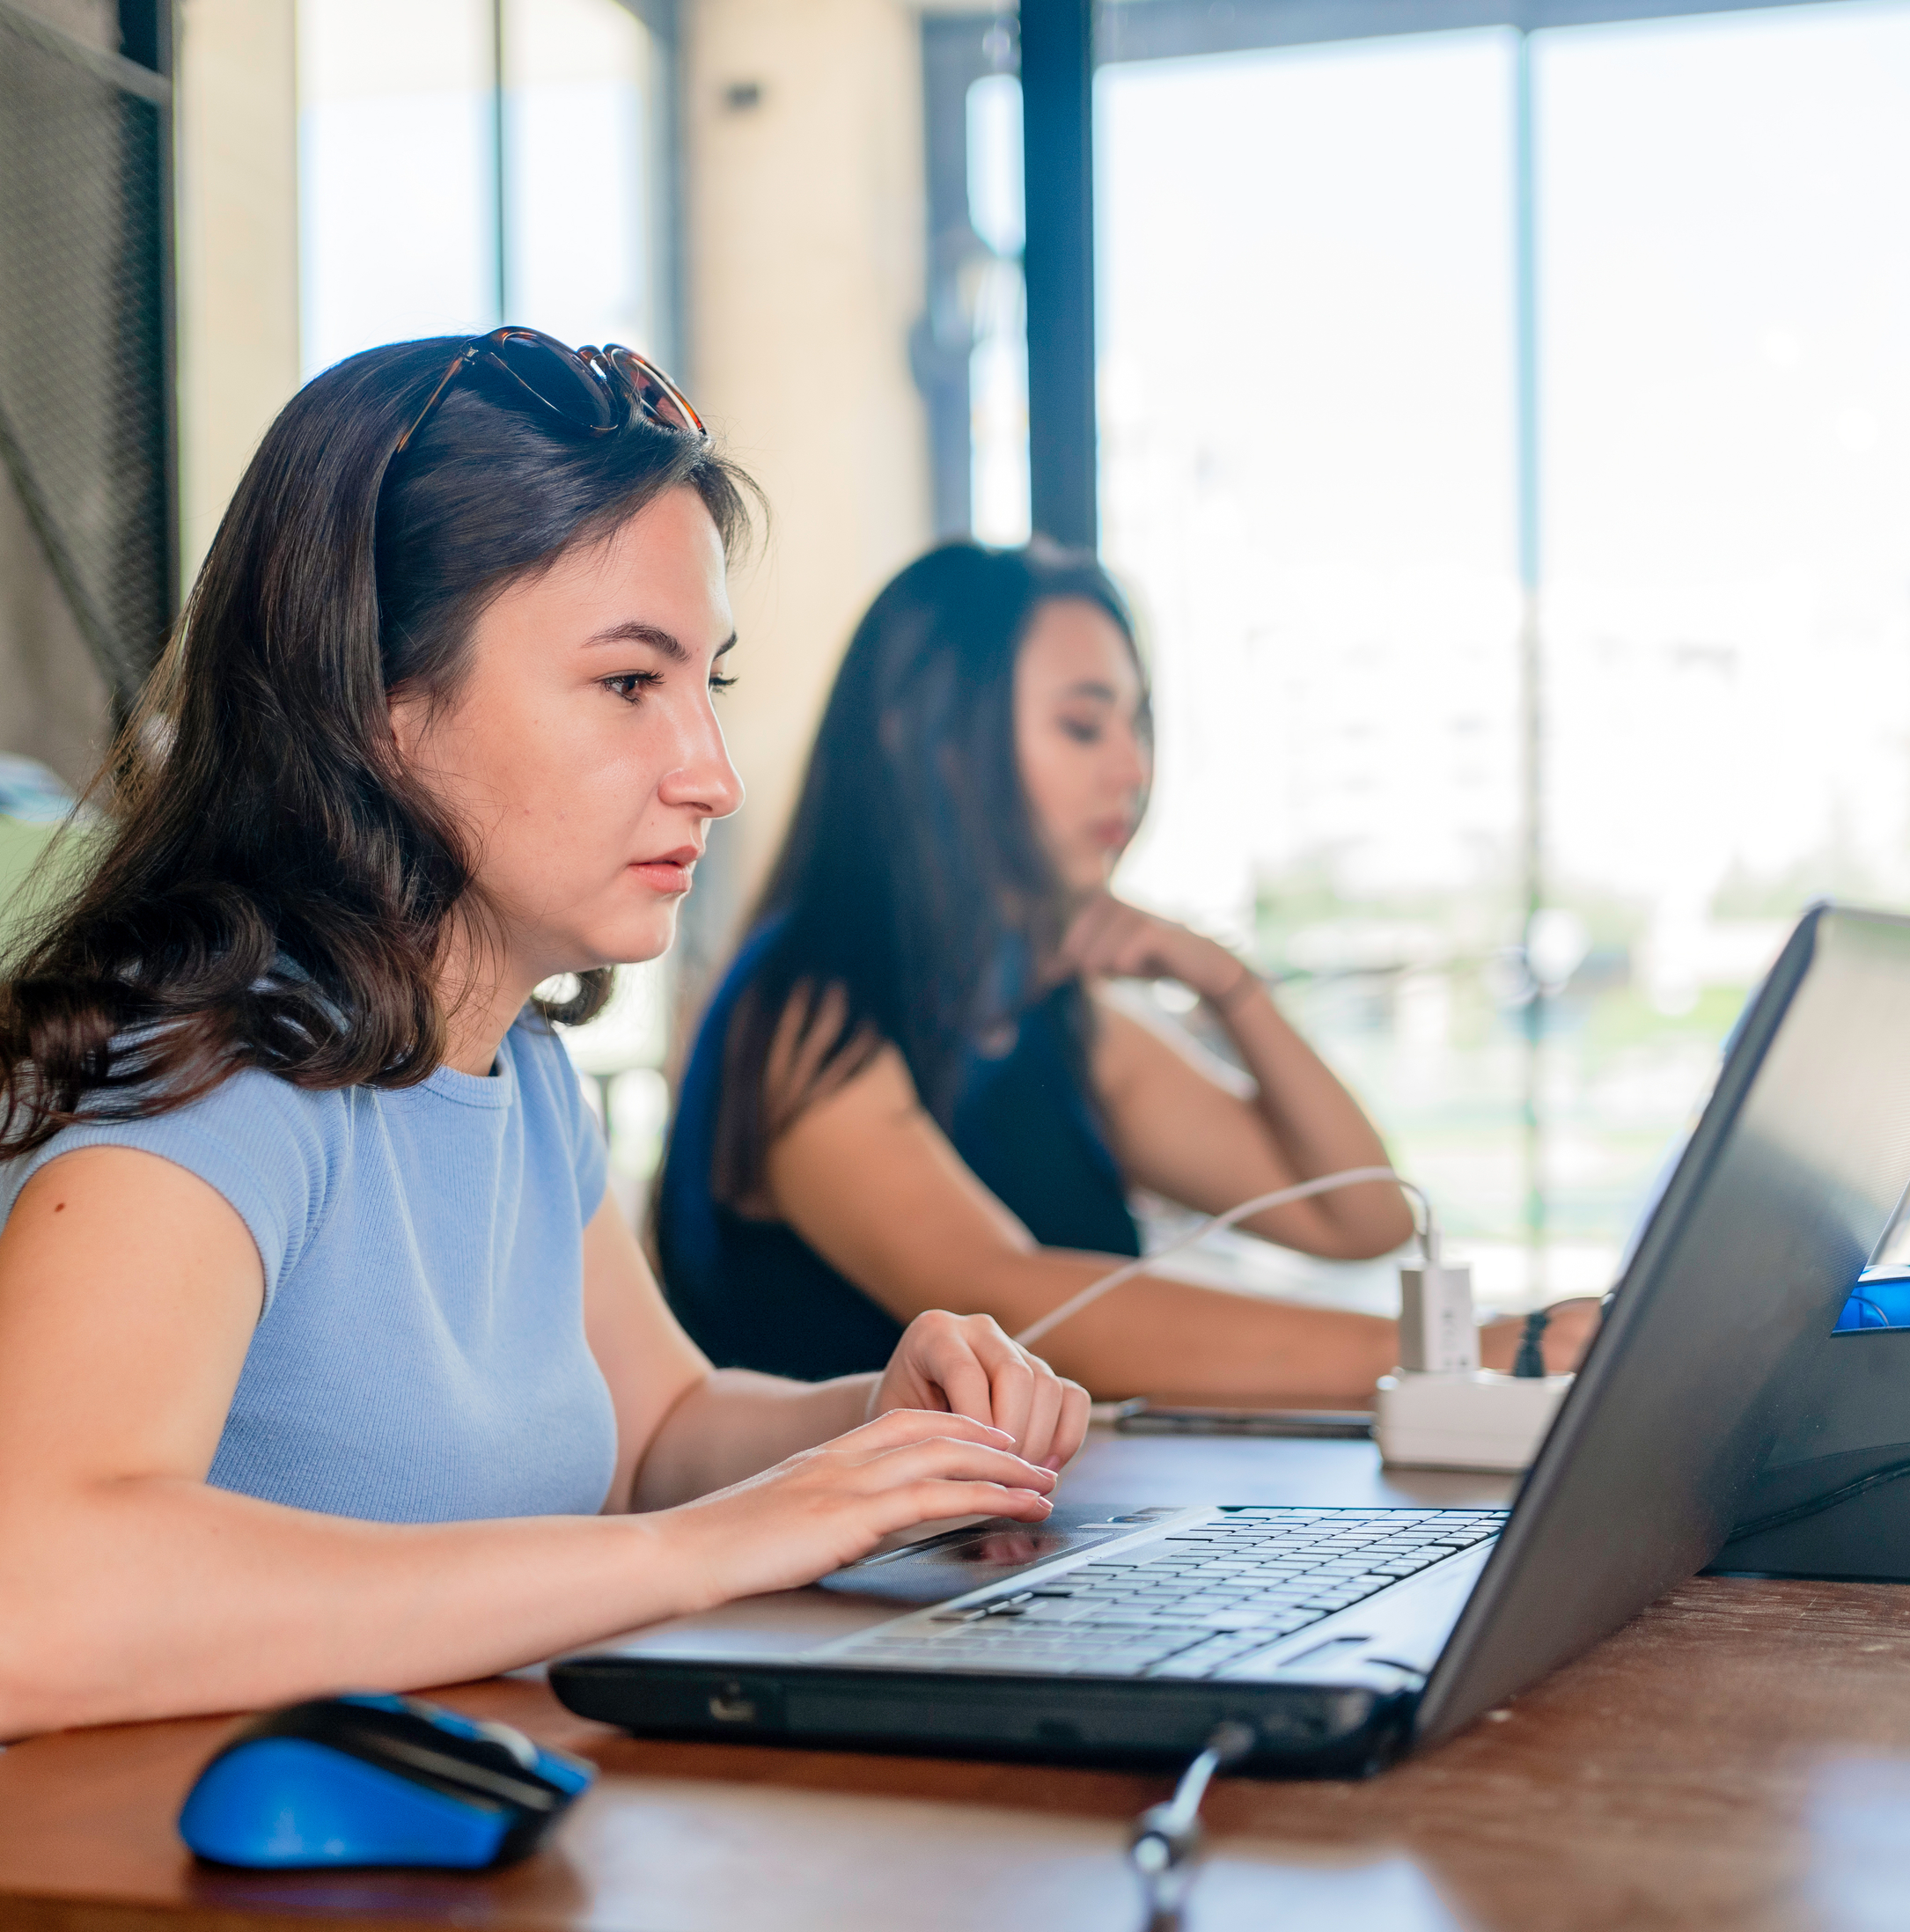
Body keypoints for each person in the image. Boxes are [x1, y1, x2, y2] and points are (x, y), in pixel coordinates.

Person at [0, 329, 1096, 1932]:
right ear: (382, 709)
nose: (710, 769)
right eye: (626, 683)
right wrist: (695, 1555)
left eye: (703, 687)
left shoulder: (506, 1073)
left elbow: (658, 1426)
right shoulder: (200, 1071)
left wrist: (878, 1416)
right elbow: (7, 1616)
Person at [656, 542, 1594, 1406]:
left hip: (1039, 1545)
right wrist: (1465, 1348)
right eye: (1081, 726)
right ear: (931, 739)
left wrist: (1227, 987)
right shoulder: (795, 1015)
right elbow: (1010, 1298)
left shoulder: (1057, 1019)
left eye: (1137, 724)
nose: (1132, 768)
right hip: (855, 1581)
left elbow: (1361, 1215)